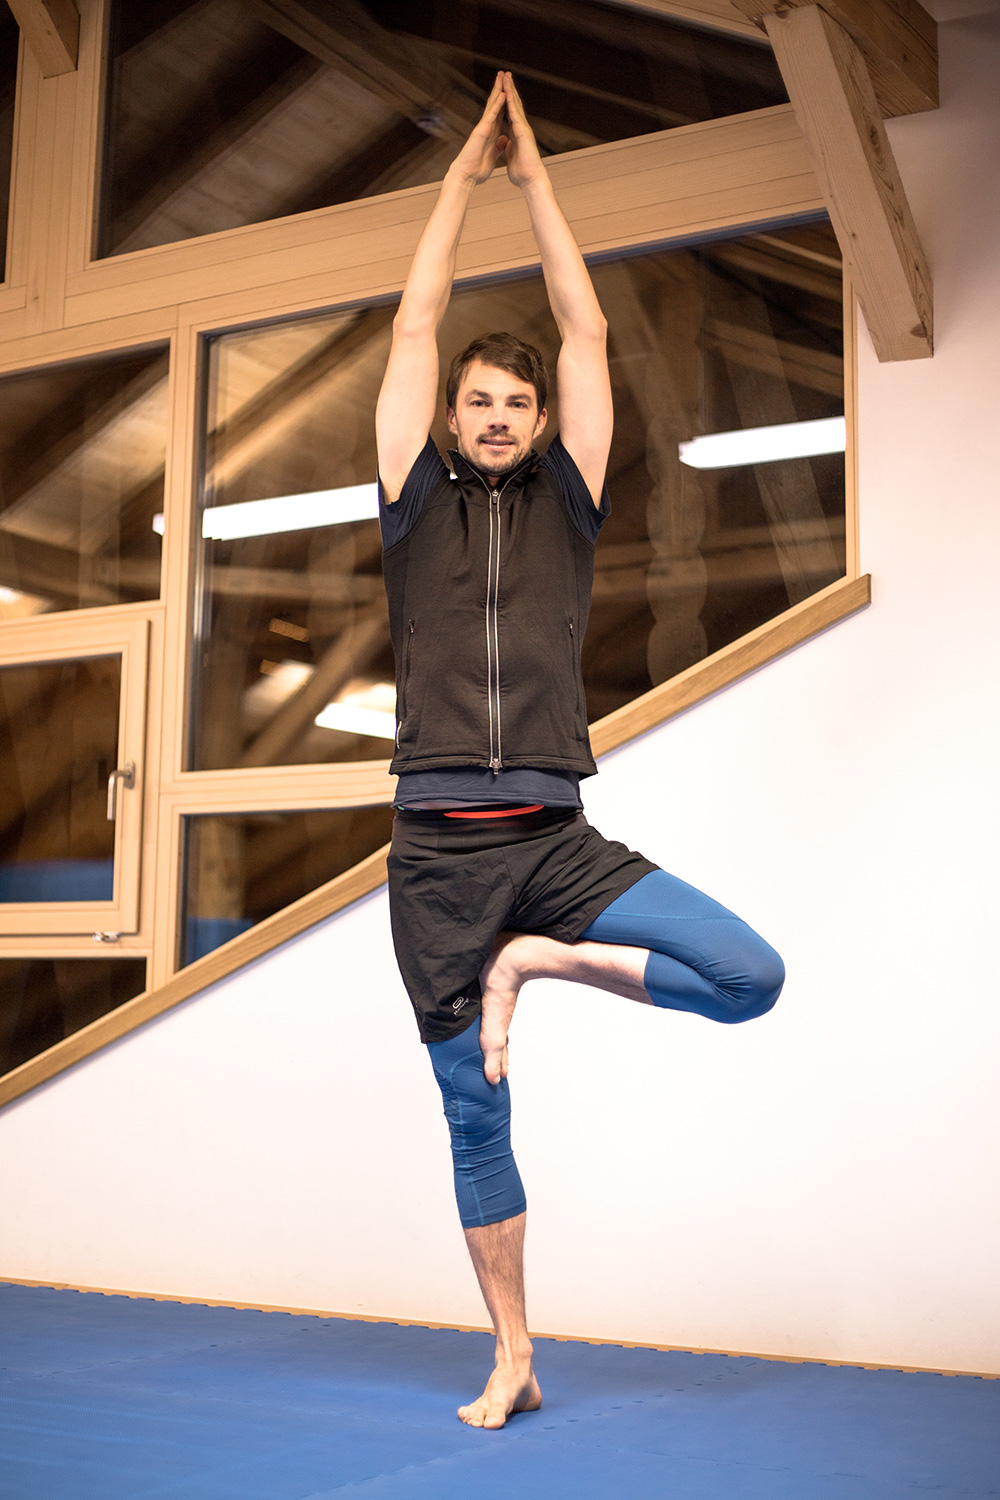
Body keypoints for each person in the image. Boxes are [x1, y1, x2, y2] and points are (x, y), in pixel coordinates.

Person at [375, 73, 784, 1431]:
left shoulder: (572, 504)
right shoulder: (413, 506)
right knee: (475, 1118)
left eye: (517, 403)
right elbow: (414, 319)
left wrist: (536, 180)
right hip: (438, 865)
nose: (497, 416)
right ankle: (513, 1355)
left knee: (749, 976)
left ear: (544, 425)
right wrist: (459, 182)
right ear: (451, 419)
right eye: (479, 402)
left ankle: (534, 961)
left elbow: (588, 326)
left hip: (554, 847)